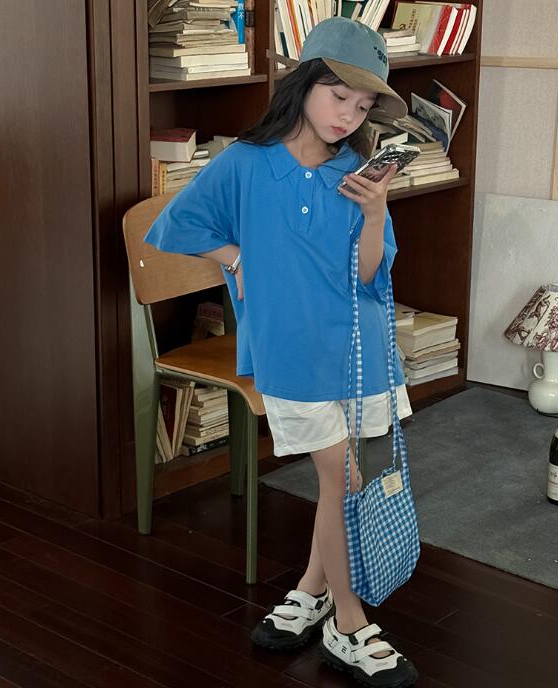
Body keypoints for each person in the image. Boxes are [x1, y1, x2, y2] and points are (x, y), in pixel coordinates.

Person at [145, 17, 418, 688]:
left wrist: (376, 211)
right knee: (344, 481)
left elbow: (367, 275)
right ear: (303, 84)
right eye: (338, 96)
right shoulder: (245, 164)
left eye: (362, 107)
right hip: (291, 353)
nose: (348, 115)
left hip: (359, 347)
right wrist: (235, 257)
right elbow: (174, 225)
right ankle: (348, 624)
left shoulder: (357, 174)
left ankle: (310, 590)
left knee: (341, 484)